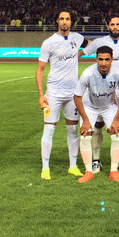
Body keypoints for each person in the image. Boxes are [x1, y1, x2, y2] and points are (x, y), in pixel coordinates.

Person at [82, 15, 119, 173]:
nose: (115, 27)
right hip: (101, 91)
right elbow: (82, 52)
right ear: (107, 26)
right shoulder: (99, 41)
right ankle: (96, 160)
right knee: (98, 126)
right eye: (112, 24)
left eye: (118, 24)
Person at [36, 10, 85, 180]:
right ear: (57, 21)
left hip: (73, 93)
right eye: (62, 19)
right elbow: (40, 70)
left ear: (72, 22)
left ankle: (73, 166)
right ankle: (45, 167)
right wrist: (41, 94)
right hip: (54, 93)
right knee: (49, 129)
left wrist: (81, 53)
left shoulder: (78, 38)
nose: (65, 22)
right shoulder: (48, 43)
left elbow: (92, 45)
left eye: (68, 19)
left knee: (73, 130)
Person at [73, 46, 119, 183]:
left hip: (109, 106)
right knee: (85, 134)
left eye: (107, 60)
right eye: (101, 59)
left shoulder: (118, 73)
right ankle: (88, 171)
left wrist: (116, 119)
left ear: (112, 59)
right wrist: (85, 119)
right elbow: (77, 97)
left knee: (116, 133)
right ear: (96, 59)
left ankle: (114, 171)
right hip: (90, 107)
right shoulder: (87, 74)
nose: (103, 63)